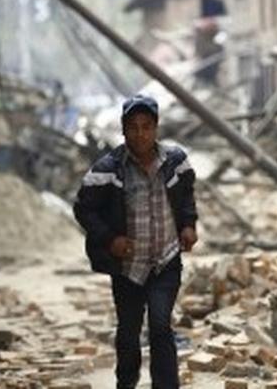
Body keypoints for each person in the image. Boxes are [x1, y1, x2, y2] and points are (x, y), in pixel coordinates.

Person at [73, 94, 198, 389]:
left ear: (155, 128)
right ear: (123, 130)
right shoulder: (108, 168)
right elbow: (83, 208)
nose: (140, 133)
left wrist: (189, 225)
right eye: (133, 127)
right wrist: (109, 239)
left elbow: (186, 196)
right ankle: (126, 383)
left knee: (160, 326)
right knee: (129, 334)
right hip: (128, 267)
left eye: (146, 126)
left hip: (165, 261)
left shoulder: (176, 162)